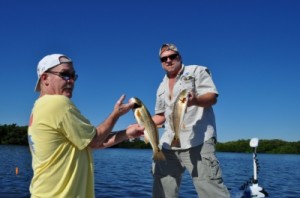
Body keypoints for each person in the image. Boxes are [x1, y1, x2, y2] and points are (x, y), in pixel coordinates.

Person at [27, 54, 144, 198]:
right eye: (64, 74)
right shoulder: (57, 104)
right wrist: (116, 114)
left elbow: (91, 144)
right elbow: (95, 140)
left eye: (73, 76)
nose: (71, 81)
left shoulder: (38, 107)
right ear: (45, 78)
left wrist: (127, 133)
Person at [152, 43, 230, 198]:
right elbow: (161, 115)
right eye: (164, 59)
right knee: (162, 193)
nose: (168, 60)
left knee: (211, 191)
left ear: (179, 57)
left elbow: (212, 97)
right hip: (168, 144)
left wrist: (195, 101)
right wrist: (142, 124)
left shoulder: (197, 71)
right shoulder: (161, 86)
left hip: (198, 141)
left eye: (172, 56)